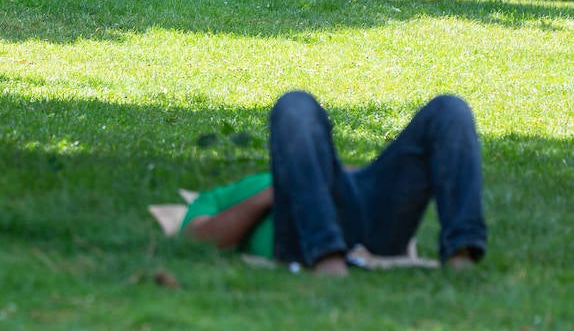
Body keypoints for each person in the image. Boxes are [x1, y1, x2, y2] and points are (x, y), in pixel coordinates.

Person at [181, 90, 487, 276]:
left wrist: (325, 174)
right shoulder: (218, 199)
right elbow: (198, 239)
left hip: (366, 211)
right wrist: (277, 191)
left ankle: (462, 254)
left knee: (449, 109)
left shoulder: (312, 161)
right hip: (302, 230)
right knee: (294, 103)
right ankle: (326, 258)